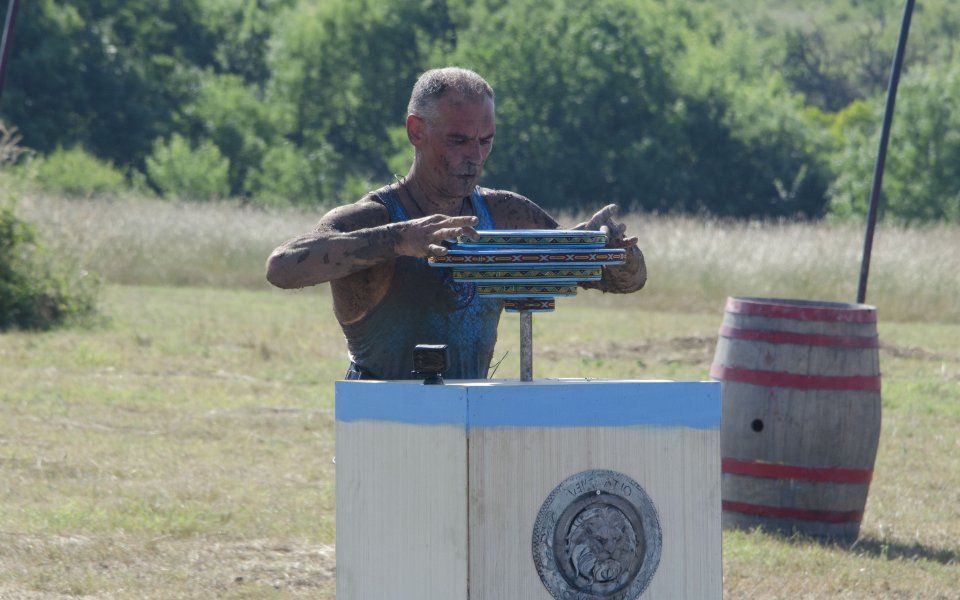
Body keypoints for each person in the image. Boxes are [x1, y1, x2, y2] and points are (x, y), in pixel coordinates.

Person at [266, 67, 646, 380]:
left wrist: (605, 250)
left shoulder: (505, 215)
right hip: (381, 424)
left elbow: (623, 280)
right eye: (459, 140)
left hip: (473, 419)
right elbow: (281, 267)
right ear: (416, 131)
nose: (475, 156)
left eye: (486, 140)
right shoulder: (374, 218)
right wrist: (399, 239)